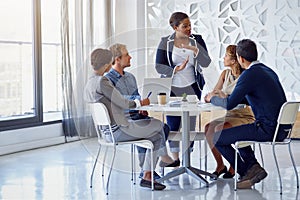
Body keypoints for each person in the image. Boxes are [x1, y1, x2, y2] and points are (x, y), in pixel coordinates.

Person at [84, 48, 178, 190]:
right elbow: (122, 102)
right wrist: (140, 103)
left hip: (106, 132)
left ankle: (147, 174)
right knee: (159, 126)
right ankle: (148, 174)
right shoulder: (103, 81)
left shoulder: (90, 82)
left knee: (156, 135)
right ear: (107, 64)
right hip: (119, 130)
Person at [205, 39, 291, 189]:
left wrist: (212, 98)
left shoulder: (249, 75)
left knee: (217, 138)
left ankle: (247, 171)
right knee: (235, 133)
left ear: (240, 59)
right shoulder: (267, 71)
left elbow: (229, 105)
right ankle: (253, 166)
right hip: (281, 129)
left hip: (267, 129)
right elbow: (254, 97)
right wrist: (229, 97)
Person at [105, 43, 178, 180]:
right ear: (117, 59)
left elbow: (137, 96)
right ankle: (153, 166)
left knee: (164, 127)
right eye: (127, 55)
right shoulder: (108, 80)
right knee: (155, 129)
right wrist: (137, 101)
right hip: (122, 122)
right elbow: (116, 100)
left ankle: (146, 170)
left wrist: (142, 108)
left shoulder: (131, 77)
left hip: (135, 115)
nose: (130, 57)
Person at [155, 11, 211, 160]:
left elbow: (206, 62)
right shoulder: (165, 42)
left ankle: (187, 158)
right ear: (175, 28)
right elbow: (159, 66)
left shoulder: (197, 40)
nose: (189, 29)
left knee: (190, 123)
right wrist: (175, 69)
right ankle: (175, 158)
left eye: (190, 25)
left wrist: (196, 51)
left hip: (193, 87)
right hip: (172, 87)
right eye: (184, 26)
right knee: (173, 123)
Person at [204, 45, 255, 179]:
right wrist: (210, 96)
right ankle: (220, 165)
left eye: (226, 55)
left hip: (243, 115)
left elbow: (242, 99)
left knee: (220, 130)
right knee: (208, 128)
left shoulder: (245, 76)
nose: (223, 58)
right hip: (227, 115)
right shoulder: (225, 74)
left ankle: (235, 165)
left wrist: (223, 96)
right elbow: (214, 93)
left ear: (233, 60)